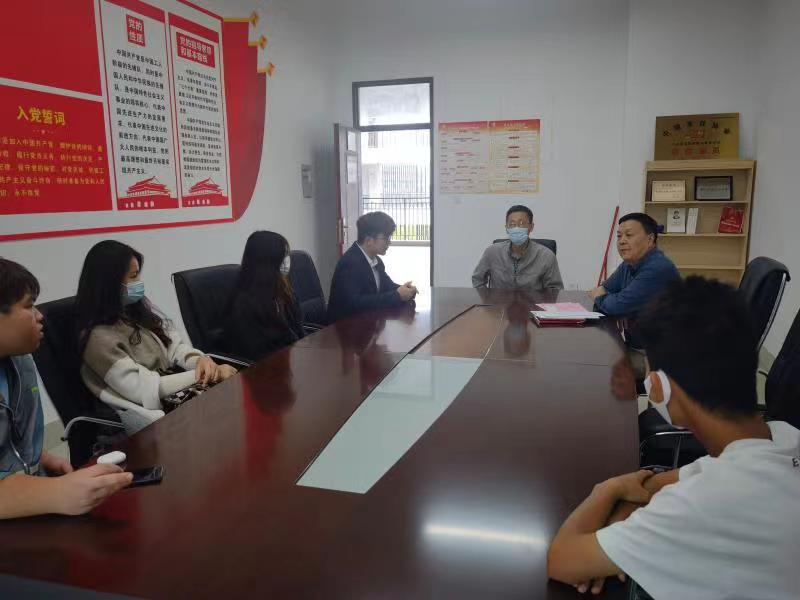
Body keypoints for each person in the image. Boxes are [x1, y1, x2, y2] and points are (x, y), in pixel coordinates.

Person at [548, 277, 800, 599]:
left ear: (661, 389)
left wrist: (606, 490)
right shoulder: (784, 435)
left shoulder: (704, 502)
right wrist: (628, 523)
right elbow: (657, 484)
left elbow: (562, 559)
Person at [0, 258, 132, 519]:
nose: (40, 316)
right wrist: (55, 492)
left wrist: (41, 458)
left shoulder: (18, 361)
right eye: (28, 306)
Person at [76, 241, 237, 431]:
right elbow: (141, 390)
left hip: (176, 398)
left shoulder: (133, 312)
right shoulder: (97, 339)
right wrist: (203, 375)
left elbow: (174, 347)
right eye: (133, 276)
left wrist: (200, 361)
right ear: (110, 283)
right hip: (149, 419)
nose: (139, 282)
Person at [222, 231, 305, 362]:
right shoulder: (244, 305)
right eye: (282, 255)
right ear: (267, 260)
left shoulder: (283, 291)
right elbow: (256, 353)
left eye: (287, 254)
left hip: (292, 361)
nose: (287, 261)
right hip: (266, 369)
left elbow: (298, 331)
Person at [327, 211, 417, 322]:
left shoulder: (376, 261)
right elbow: (355, 303)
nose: (389, 242)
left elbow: (387, 286)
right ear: (369, 240)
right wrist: (397, 296)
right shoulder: (350, 263)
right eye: (386, 238)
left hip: (367, 323)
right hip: (344, 327)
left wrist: (407, 291)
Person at [589, 212, 680, 318]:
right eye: (619, 236)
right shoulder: (629, 263)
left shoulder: (657, 268)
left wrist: (599, 297)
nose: (622, 241)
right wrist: (607, 296)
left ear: (650, 239)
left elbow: (617, 306)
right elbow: (605, 288)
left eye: (629, 235)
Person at [471, 205, 563, 291]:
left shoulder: (546, 256)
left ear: (531, 227)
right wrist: (488, 298)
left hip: (533, 302)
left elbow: (555, 289)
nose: (516, 228)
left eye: (521, 223)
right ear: (506, 228)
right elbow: (477, 279)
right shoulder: (492, 252)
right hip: (500, 302)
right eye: (512, 224)